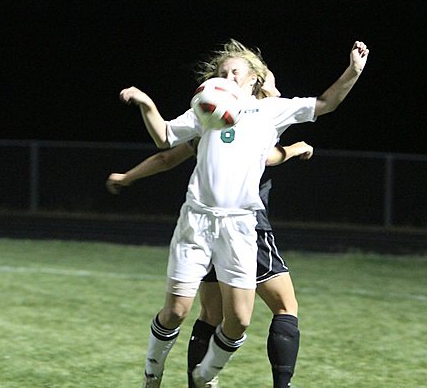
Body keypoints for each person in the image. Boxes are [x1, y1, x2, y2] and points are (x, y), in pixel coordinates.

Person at [119, 39, 368, 388]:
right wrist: (146, 103)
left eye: (234, 71)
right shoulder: (205, 109)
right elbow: (164, 140)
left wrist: (353, 71)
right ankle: (152, 372)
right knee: (177, 311)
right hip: (197, 220)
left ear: (253, 78)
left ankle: (204, 376)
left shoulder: (271, 109)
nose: (226, 77)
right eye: (221, 72)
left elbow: (327, 103)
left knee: (238, 321)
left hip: (240, 225)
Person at [108, 71, 313, 388]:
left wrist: (128, 177)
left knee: (213, 314)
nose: (275, 86)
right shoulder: (245, 114)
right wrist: (294, 149)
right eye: (269, 79)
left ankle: (200, 379)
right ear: (256, 82)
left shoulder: (239, 114)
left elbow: (168, 157)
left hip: (228, 224)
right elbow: (267, 155)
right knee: (277, 308)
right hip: (241, 225)